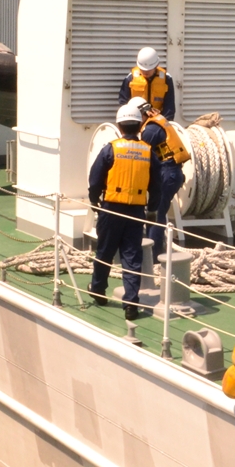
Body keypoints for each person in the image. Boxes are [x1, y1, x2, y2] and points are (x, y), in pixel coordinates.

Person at [88, 102, 161, 322]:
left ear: (119, 126)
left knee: (105, 252)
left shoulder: (110, 149)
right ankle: (131, 304)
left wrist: (94, 200)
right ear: (140, 127)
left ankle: (98, 290)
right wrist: (152, 210)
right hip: (136, 212)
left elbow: (95, 179)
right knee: (132, 257)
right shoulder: (148, 152)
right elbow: (156, 185)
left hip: (111, 210)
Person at [130, 96, 189, 259]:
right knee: (156, 212)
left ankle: (153, 255)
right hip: (171, 173)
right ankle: (154, 249)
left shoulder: (150, 130)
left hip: (166, 173)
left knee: (156, 214)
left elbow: (142, 155)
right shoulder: (158, 120)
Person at [118, 47, 176, 121]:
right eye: (142, 69)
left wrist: (164, 122)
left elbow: (169, 107)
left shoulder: (166, 79)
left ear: (156, 65)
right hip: (136, 120)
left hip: (158, 120)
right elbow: (123, 103)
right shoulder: (130, 78)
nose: (145, 72)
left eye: (149, 69)